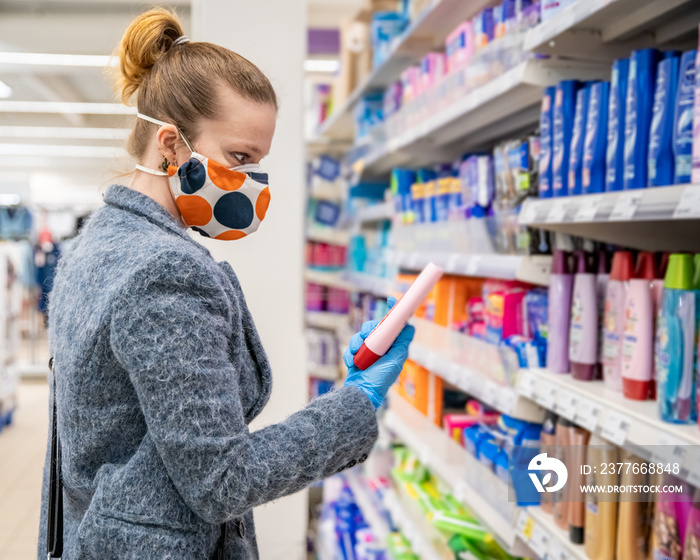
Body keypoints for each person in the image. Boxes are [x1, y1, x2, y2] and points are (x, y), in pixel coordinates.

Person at [37, 8, 414, 560]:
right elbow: (224, 481)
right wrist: (355, 402)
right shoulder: (165, 273)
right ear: (170, 146)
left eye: (257, 162)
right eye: (239, 157)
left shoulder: (93, 245)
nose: (252, 184)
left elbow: (74, 448)